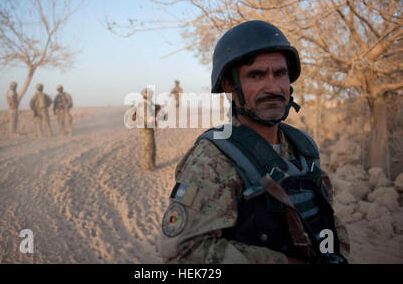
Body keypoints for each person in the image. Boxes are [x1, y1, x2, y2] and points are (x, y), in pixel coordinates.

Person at [157, 20, 350, 264]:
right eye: (256, 75)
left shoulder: (303, 147)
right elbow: (182, 253)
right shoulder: (214, 158)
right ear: (230, 86)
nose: (273, 87)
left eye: (280, 74)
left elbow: (325, 219)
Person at [131, 88, 162, 171]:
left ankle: (151, 164)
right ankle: (147, 167)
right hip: (146, 130)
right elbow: (147, 118)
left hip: (148, 129)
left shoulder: (147, 105)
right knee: (148, 148)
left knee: (151, 147)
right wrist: (155, 119)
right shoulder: (144, 106)